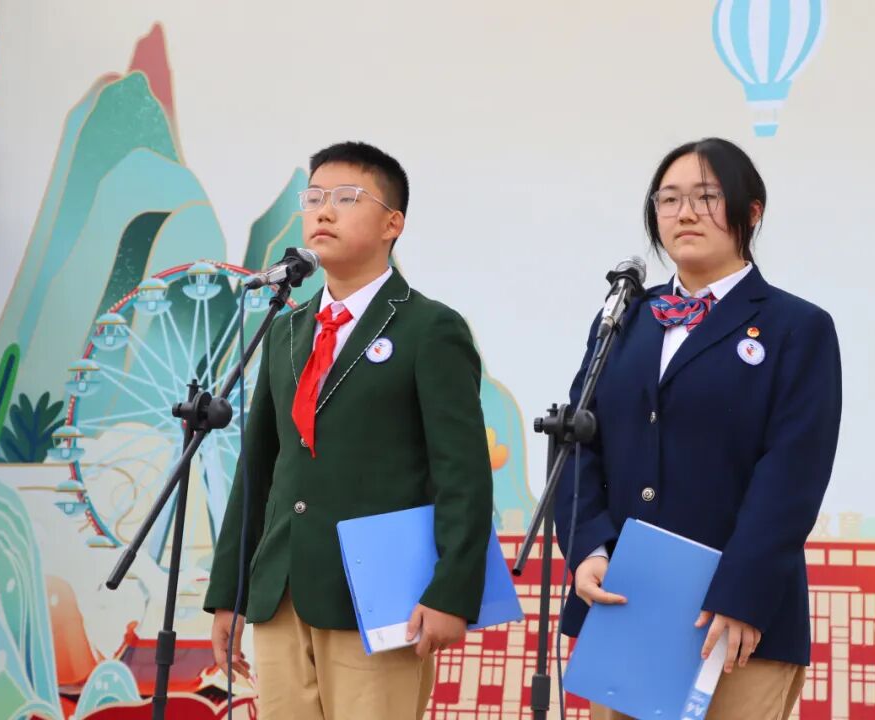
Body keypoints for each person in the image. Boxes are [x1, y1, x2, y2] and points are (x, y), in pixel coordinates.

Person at [204, 141, 494, 720]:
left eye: (346, 198)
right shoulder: (286, 329)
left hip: (380, 597)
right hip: (282, 591)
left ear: (393, 224)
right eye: (313, 198)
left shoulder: (429, 328)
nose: (324, 211)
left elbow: (462, 474)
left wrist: (451, 592)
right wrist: (230, 593)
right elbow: (258, 467)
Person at [555, 137, 842, 720]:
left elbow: (792, 476)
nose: (684, 213)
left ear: (751, 211)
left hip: (735, 621)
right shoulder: (624, 318)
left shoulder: (796, 327)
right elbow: (578, 439)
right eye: (669, 199)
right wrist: (587, 546)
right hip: (626, 602)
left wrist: (742, 594)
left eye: (706, 197)